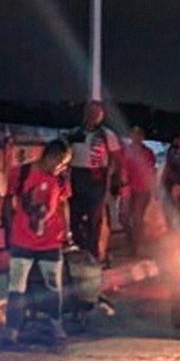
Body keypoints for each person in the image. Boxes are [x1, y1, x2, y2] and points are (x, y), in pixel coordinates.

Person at [2, 139, 73, 348]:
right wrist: (8, 229)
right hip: (22, 239)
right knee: (17, 287)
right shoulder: (21, 173)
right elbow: (9, 200)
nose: (62, 167)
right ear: (49, 157)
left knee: (53, 286)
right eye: (60, 162)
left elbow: (63, 204)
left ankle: (55, 324)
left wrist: (67, 232)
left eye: (65, 164)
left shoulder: (61, 179)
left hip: (51, 241)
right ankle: (12, 329)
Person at [65, 100, 121, 261]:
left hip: (97, 177)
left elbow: (117, 157)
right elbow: (65, 152)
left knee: (94, 217)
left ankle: (93, 253)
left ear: (101, 116)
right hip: (77, 175)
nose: (93, 116)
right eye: (91, 112)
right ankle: (80, 246)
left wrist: (116, 178)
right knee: (75, 215)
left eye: (97, 113)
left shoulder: (106, 135)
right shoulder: (75, 132)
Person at [121, 125, 157, 256]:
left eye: (139, 134)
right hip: (128, 187)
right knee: (124, 217)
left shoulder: (148, 152)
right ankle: (133, 241)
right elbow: (122, 169)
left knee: (137, 217)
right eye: (134, 134)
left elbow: (152, 170)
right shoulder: (126, 151)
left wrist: (154, 188)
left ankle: (137, 247)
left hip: (143, 188)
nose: (136, 137)